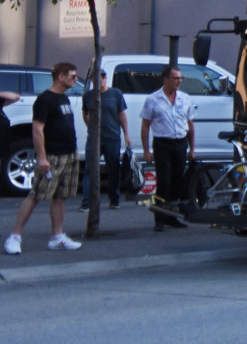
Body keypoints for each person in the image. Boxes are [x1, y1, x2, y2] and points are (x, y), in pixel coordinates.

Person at [4, 63, 83, 254]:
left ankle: (57, 236)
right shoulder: (45, 99)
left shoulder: (63, 98)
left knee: (60, 196)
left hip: (69, 154)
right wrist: (42, 157)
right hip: (52, 156)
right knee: (36, 195)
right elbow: (37, 129)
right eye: (72, 76)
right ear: (61, 77)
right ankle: (14, 236)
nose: (76, 80)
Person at [140, 65, 196, 232]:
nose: (179, 81)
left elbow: (190, 125)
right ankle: (160, 218)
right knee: (164, 181)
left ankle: (172, 217)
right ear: (166, 79)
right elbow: (145, 126)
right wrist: (146, 150)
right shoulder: (153, 99)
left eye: (180, 78)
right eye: (175, 78)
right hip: (162, 143)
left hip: (180, 142)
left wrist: (192, 149)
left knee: (177, 181)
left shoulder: (185, 98)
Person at [80, 70, 133, 210]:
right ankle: (87, 202)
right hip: (94, 138)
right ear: (92, 80)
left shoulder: (116, 94)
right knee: (89, 169)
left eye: (103, 77)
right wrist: (90, 127)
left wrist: (126, 134)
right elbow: (85, 114)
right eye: (98, 77)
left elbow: (122, 115)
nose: (102, 80)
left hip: (112, 137)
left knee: (114, 168)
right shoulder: (88, 96)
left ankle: (114, 199)